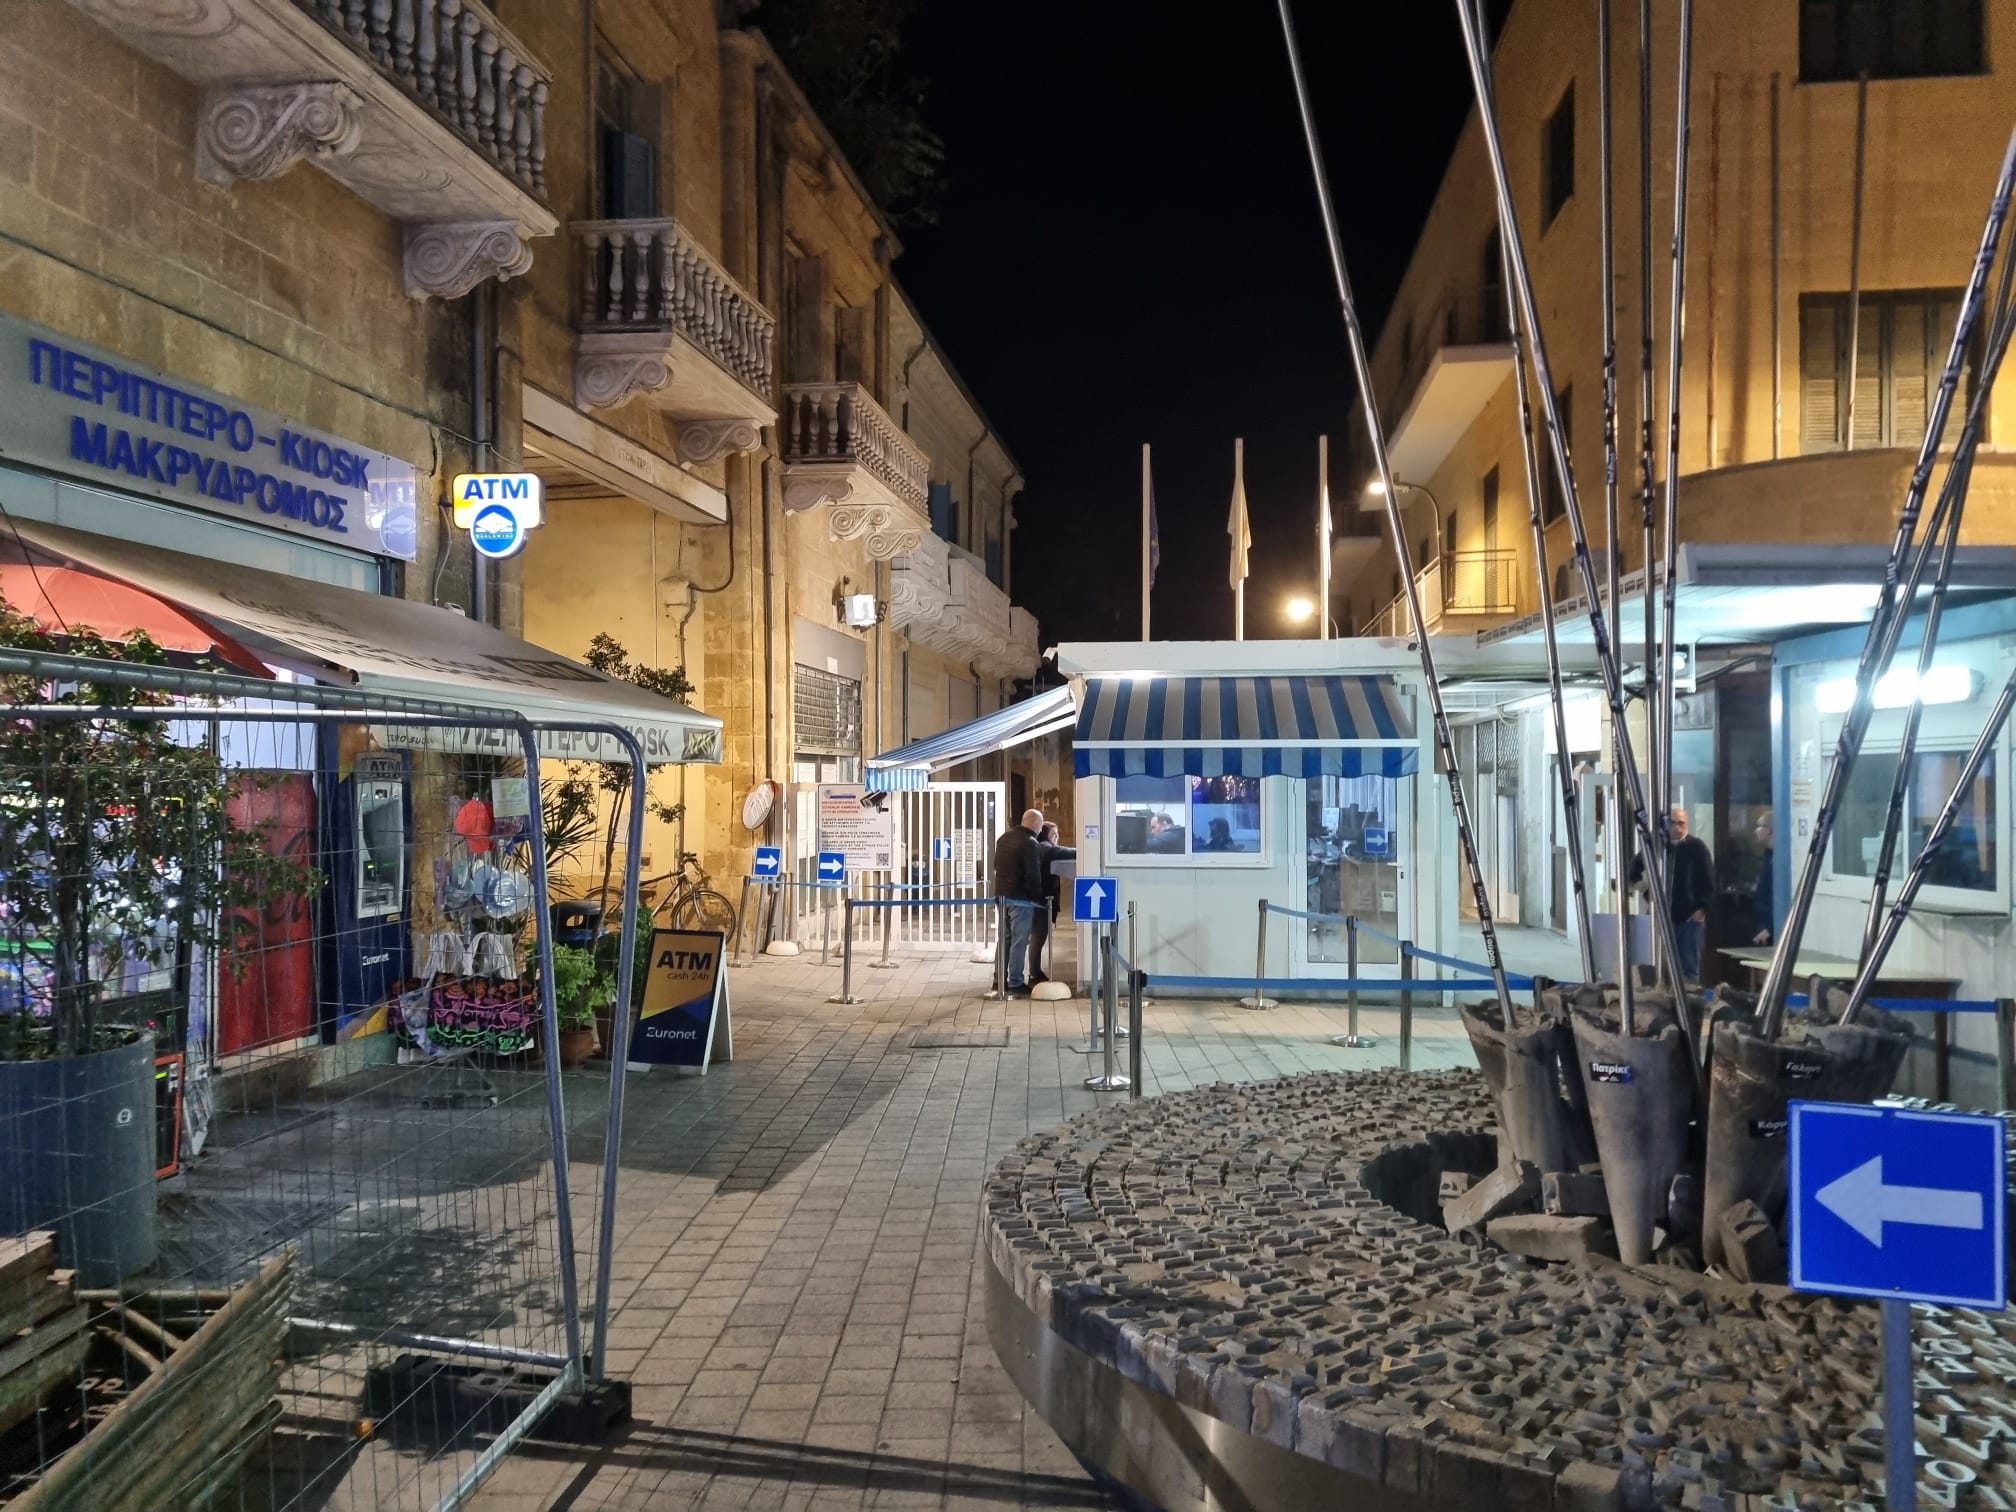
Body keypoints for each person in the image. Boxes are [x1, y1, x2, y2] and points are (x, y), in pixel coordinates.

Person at [1632, 805, 1716, 983]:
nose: (1677, 827)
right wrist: (1641, 885)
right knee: (1659, 967)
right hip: (1662, 916)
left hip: (1690, 919)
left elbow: (1709, 882)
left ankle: (1689, 1006)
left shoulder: (1697, 847)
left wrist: (1702, 909)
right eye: (1673, 823)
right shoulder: (1658, 846)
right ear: (1665, 824)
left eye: (1682, 823)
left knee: (1689, 968)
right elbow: (1634, 866)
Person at [991, 807, 1044, 996]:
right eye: (1041, 825)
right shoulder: (1030, 842)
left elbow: (996, 865)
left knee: (1003, 939)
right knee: (1019, 941)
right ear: (1036, 825)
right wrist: (1038, 898)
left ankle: (998, 980)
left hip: (1001, 895)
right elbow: (1033, 874)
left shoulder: (1004, 838)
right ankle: (1015, 982)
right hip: (1020, 898)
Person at [1029, 821, 1077, 985]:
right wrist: (1086, 849)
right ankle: (1034, 973)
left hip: (1041, 900)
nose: (1057, 838)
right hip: (1042, 901)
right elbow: (1065, 851)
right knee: (1038, 937)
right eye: (1054, 835)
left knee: (1038, 937)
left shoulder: (1041, 847)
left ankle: (1034, 971)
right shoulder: (1045, 847)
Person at [1751, 810, 1775, 945]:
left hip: (1769, 924)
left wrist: (1769, 928)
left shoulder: (1777, 859)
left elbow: (1776, 895)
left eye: (1760, 826)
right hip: (1762, 918)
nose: (1756, 831)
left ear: (1770, 830)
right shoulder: (1768, 856)